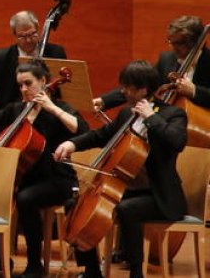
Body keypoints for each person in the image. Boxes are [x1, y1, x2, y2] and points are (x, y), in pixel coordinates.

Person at [55, 60, 187, 278]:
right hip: (127, 189)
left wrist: (151, 117)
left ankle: (136, 272)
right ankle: (91, 270)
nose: (123, 91)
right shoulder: (127, 114)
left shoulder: (173, 114)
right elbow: (100, 136)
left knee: (127, 209)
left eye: (128, 87)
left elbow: (177, 142)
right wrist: (72, 144)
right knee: (75, 203)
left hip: (159, 196)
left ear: (143, 89)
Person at [0, 61, 85, 278]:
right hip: (26, 178)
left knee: (26, 198)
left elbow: (82, 128)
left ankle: (34, 264)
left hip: (58, 179)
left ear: (43, 81)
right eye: (20, 85)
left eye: (28, 83)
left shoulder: (59, 108)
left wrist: (52, 108)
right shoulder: (17, 110)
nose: (24, 89)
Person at [97, 15, 210, 112]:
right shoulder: (166, 59)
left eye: (178, 44)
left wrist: (194, 91)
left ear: (194, 42)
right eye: (170, 42)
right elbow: (140, 86)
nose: (173, 48)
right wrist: (104, 101)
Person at [0, 11, 66, 110]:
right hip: (10, 118)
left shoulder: (55, 53)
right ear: (14, 34)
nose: (28, 40)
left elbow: (66, 91)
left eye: (32, 34)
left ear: (37, 28)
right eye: (22, 36)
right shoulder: (0, 59)